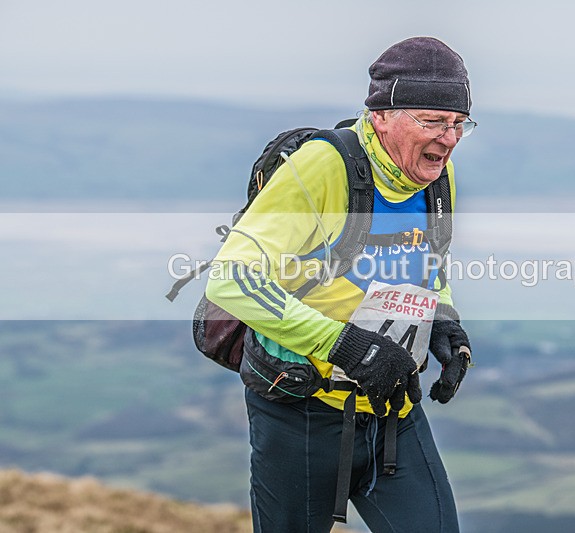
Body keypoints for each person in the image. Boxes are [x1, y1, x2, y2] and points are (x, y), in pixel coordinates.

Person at [206, 36, 475, 533]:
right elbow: (231, 279)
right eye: (433, 122)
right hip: (298, 409)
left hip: (391, 404)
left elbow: (429, 262)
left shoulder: (438, 176)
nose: (450, 138)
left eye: (459, 123)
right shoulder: (324, 168)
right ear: (381, 116)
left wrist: (444, 320)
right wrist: (347, 346)